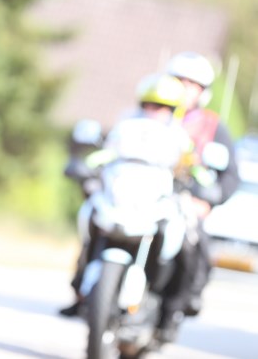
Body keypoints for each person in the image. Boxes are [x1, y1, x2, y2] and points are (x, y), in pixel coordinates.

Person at [59, 73, 191, 318]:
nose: (155, 111)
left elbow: (191, 167)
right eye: (150, 104)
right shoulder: (125, 127)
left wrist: (199, 180)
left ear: (173, 110)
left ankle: (168, 309)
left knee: (185, 242)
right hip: (118, 202)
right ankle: (80, 292)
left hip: (154, 205)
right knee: (90, 220)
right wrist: (86, 164)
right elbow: (106, 154)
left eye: (162, 107)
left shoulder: (180, 139)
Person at [157, 51, 240, 341]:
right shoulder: (153, 111)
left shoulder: (212, 125)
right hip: (146, 195)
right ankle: (85, 292)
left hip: (185, 201)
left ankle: (171, 312)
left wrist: (208, 200)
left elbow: (231, 175)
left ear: (202, 91)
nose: (185, 88)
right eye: (180, 80)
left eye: (192, 83)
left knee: (195, 248)